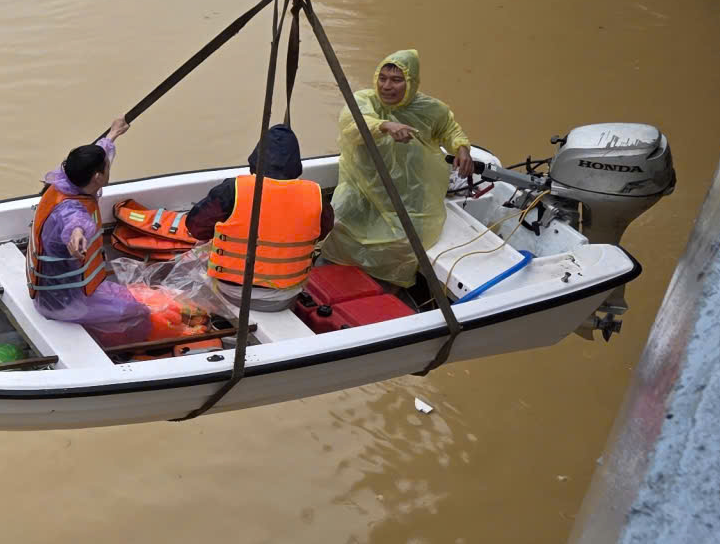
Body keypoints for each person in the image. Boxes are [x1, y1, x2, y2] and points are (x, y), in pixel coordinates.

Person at [323, 49, 478, 287]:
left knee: (407, 241)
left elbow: (448, 128)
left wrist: (461, 148)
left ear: (411, 83)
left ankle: (390, 285)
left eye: (396, 80)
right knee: (336, 221)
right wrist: (385, 125)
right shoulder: (364, 100)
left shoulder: (429, 108)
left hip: (411, 192)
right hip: (362, 187)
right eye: (382, 78)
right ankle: (334, 275)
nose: (387, 86)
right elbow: (352, 123)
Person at [30, 118, 156, 349]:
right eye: (106, 167)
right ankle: (130, 353)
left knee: (128, 297)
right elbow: (73, 222)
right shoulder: (70, 209)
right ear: (97, 177)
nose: (109, 167)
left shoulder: (66, 179)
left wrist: (113, 134)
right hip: (64, 301)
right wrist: (76, 234)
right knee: (138, 312)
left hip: (55, 288)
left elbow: (101, 155)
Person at [185, 123, 334, 309]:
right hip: (287, 293)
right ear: (296, 164)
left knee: (199, 248)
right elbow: (323, 230)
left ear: (255, 158)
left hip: (233, 292)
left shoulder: (233, 190)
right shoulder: (316, 195)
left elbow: (196, 228)